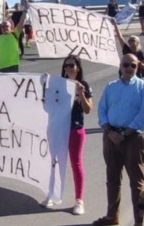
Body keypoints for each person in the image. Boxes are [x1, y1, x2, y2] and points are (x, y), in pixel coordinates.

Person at [93, 53, 144, 226]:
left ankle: (139, 221)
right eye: (125, 65)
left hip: (133, 137)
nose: (128, 68)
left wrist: (124, 134)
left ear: (138, 67)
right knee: (112, 179)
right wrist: (109, 131)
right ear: (120, 66)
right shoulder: (111, 86)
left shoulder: (143, 88)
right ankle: (112, 217)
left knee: (136, 183)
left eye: (133, 65)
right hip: (111, 136)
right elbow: (102, 109)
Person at [45, 55, 93, 215]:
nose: (68, 68)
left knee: (76, 164)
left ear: (78, 68)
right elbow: (48, 106)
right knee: (54, 162)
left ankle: (79, 200)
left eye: (72, 65)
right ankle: (52, 194)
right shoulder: (58, 84)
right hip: (59, 128)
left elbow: (88, 110)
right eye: (66, 66)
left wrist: (81, 94)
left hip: (75, 129)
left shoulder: (84, 85)